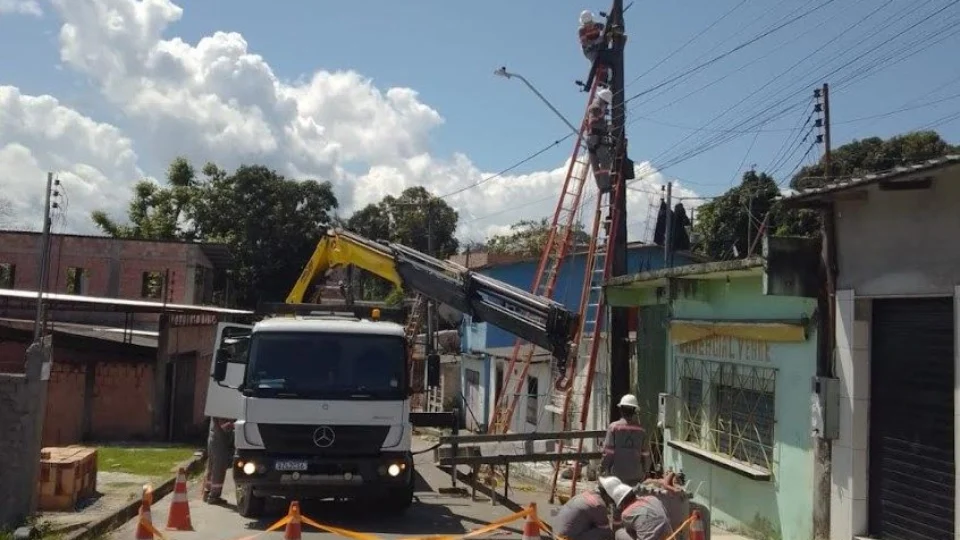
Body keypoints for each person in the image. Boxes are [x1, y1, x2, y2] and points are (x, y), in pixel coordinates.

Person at [600, 394, 650, 485]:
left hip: (616, 475)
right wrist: (646, 472)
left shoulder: (613, 427)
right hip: (636, 475)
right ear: (634, 411)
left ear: (621, 409)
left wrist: (602, 468)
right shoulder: (641, 430)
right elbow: (645, 454)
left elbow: (608, 452)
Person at [553, 476, 622, 540]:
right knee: (607, 532)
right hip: (566, 538)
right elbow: (609, 530)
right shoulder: (598, 504)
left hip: (556, 533)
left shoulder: (588, 494)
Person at [586, 88, 614, 194]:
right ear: (603, 100)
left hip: (591, 139)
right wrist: (607, 127)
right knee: (605, 160)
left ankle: (601, 186)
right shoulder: (596, 108)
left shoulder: (593, 107)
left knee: (595, 165)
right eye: (606, 103)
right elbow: (593, 122)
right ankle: (605, 185)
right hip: (596, 138)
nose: (607, 105)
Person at [202, 416, 235, 504]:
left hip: (214, 438)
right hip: (220, 441)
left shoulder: (216, 407)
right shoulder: (221, 411)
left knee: (212, 466)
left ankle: (207, 492)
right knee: (219, 469)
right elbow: (226, 427)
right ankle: (214, 496)